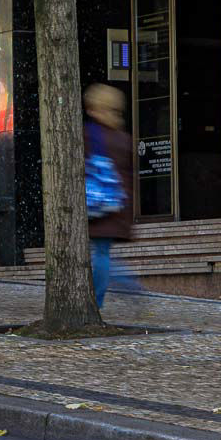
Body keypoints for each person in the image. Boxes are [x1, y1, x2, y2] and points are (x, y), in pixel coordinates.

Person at [84, 83, 136, 310]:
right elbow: (129, 177)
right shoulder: (123, 138)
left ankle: (99, 300)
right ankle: (128, 285)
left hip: (95, 204)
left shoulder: (90, 134)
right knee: (102, 252)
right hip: (115, 205)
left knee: (101, 254)